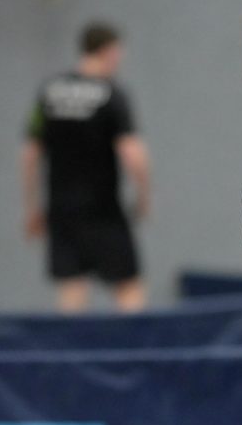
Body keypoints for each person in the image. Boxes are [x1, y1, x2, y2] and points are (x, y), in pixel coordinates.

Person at [22, 21, 150, 313]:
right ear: (109, 51)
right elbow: (132, 153)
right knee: (129, 289)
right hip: (104, 211)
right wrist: (143, 197)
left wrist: (32, 206)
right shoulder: (111, 94)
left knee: (71, 291)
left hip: (62, 211)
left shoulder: (49, 93)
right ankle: (137, 344)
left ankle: (71, 345)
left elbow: (30, 153)